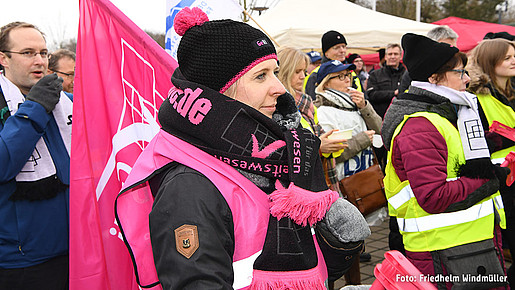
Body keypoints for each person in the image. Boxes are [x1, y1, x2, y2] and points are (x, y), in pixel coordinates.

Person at [115, 8, 370, 290]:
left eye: (275, 72)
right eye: (260, 76)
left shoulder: (276, 153)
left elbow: (305, 263)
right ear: (219, 93)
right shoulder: (188, 187)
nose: (279, 88)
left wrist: (337, 246)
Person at [381, 33, 507, 289]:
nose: (468, 79)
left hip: (463, 245)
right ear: (433, 77)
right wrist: (490, 179)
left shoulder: (443, 112)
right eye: (460, 73)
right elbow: (433, 195)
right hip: (443, 253)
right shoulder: (420, 126)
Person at [0, 22, 71, 290]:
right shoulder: (40, 103)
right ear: (3, 58)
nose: (39, 60)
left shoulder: (64, 102)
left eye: (43, 53)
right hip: (21, 261)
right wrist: (35, 108)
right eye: (28, 53)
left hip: (74, 250)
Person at [467, 38, 515, 285]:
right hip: (501, 182)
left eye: (514, 55)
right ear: (489, 61)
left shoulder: (511, 90)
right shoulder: (476, 97)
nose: (513, 61)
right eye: (507, 57)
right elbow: (475, 144)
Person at [398, 25, 458, 93]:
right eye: (445, 49)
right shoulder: (415, 73)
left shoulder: (460, 72)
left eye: (454, 49)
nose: (452, 55)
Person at [304, 30, 362, 99]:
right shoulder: (316, 75)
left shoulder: (351, 72)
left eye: (343, 46)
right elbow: (313, 103)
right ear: (326, 53)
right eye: (336, 48)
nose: (342, 51)